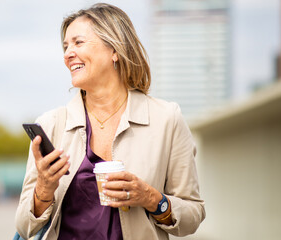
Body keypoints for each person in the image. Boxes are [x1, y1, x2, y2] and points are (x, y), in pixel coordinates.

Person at [15, 3, 205, 240]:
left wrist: (151, 198)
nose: (67, 54)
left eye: (78, 42)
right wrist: (43, 189)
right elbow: (25, 227)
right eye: (65, 46)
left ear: (114, 49)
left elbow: (193, 214)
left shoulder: (167, 119)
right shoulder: (52, 124)